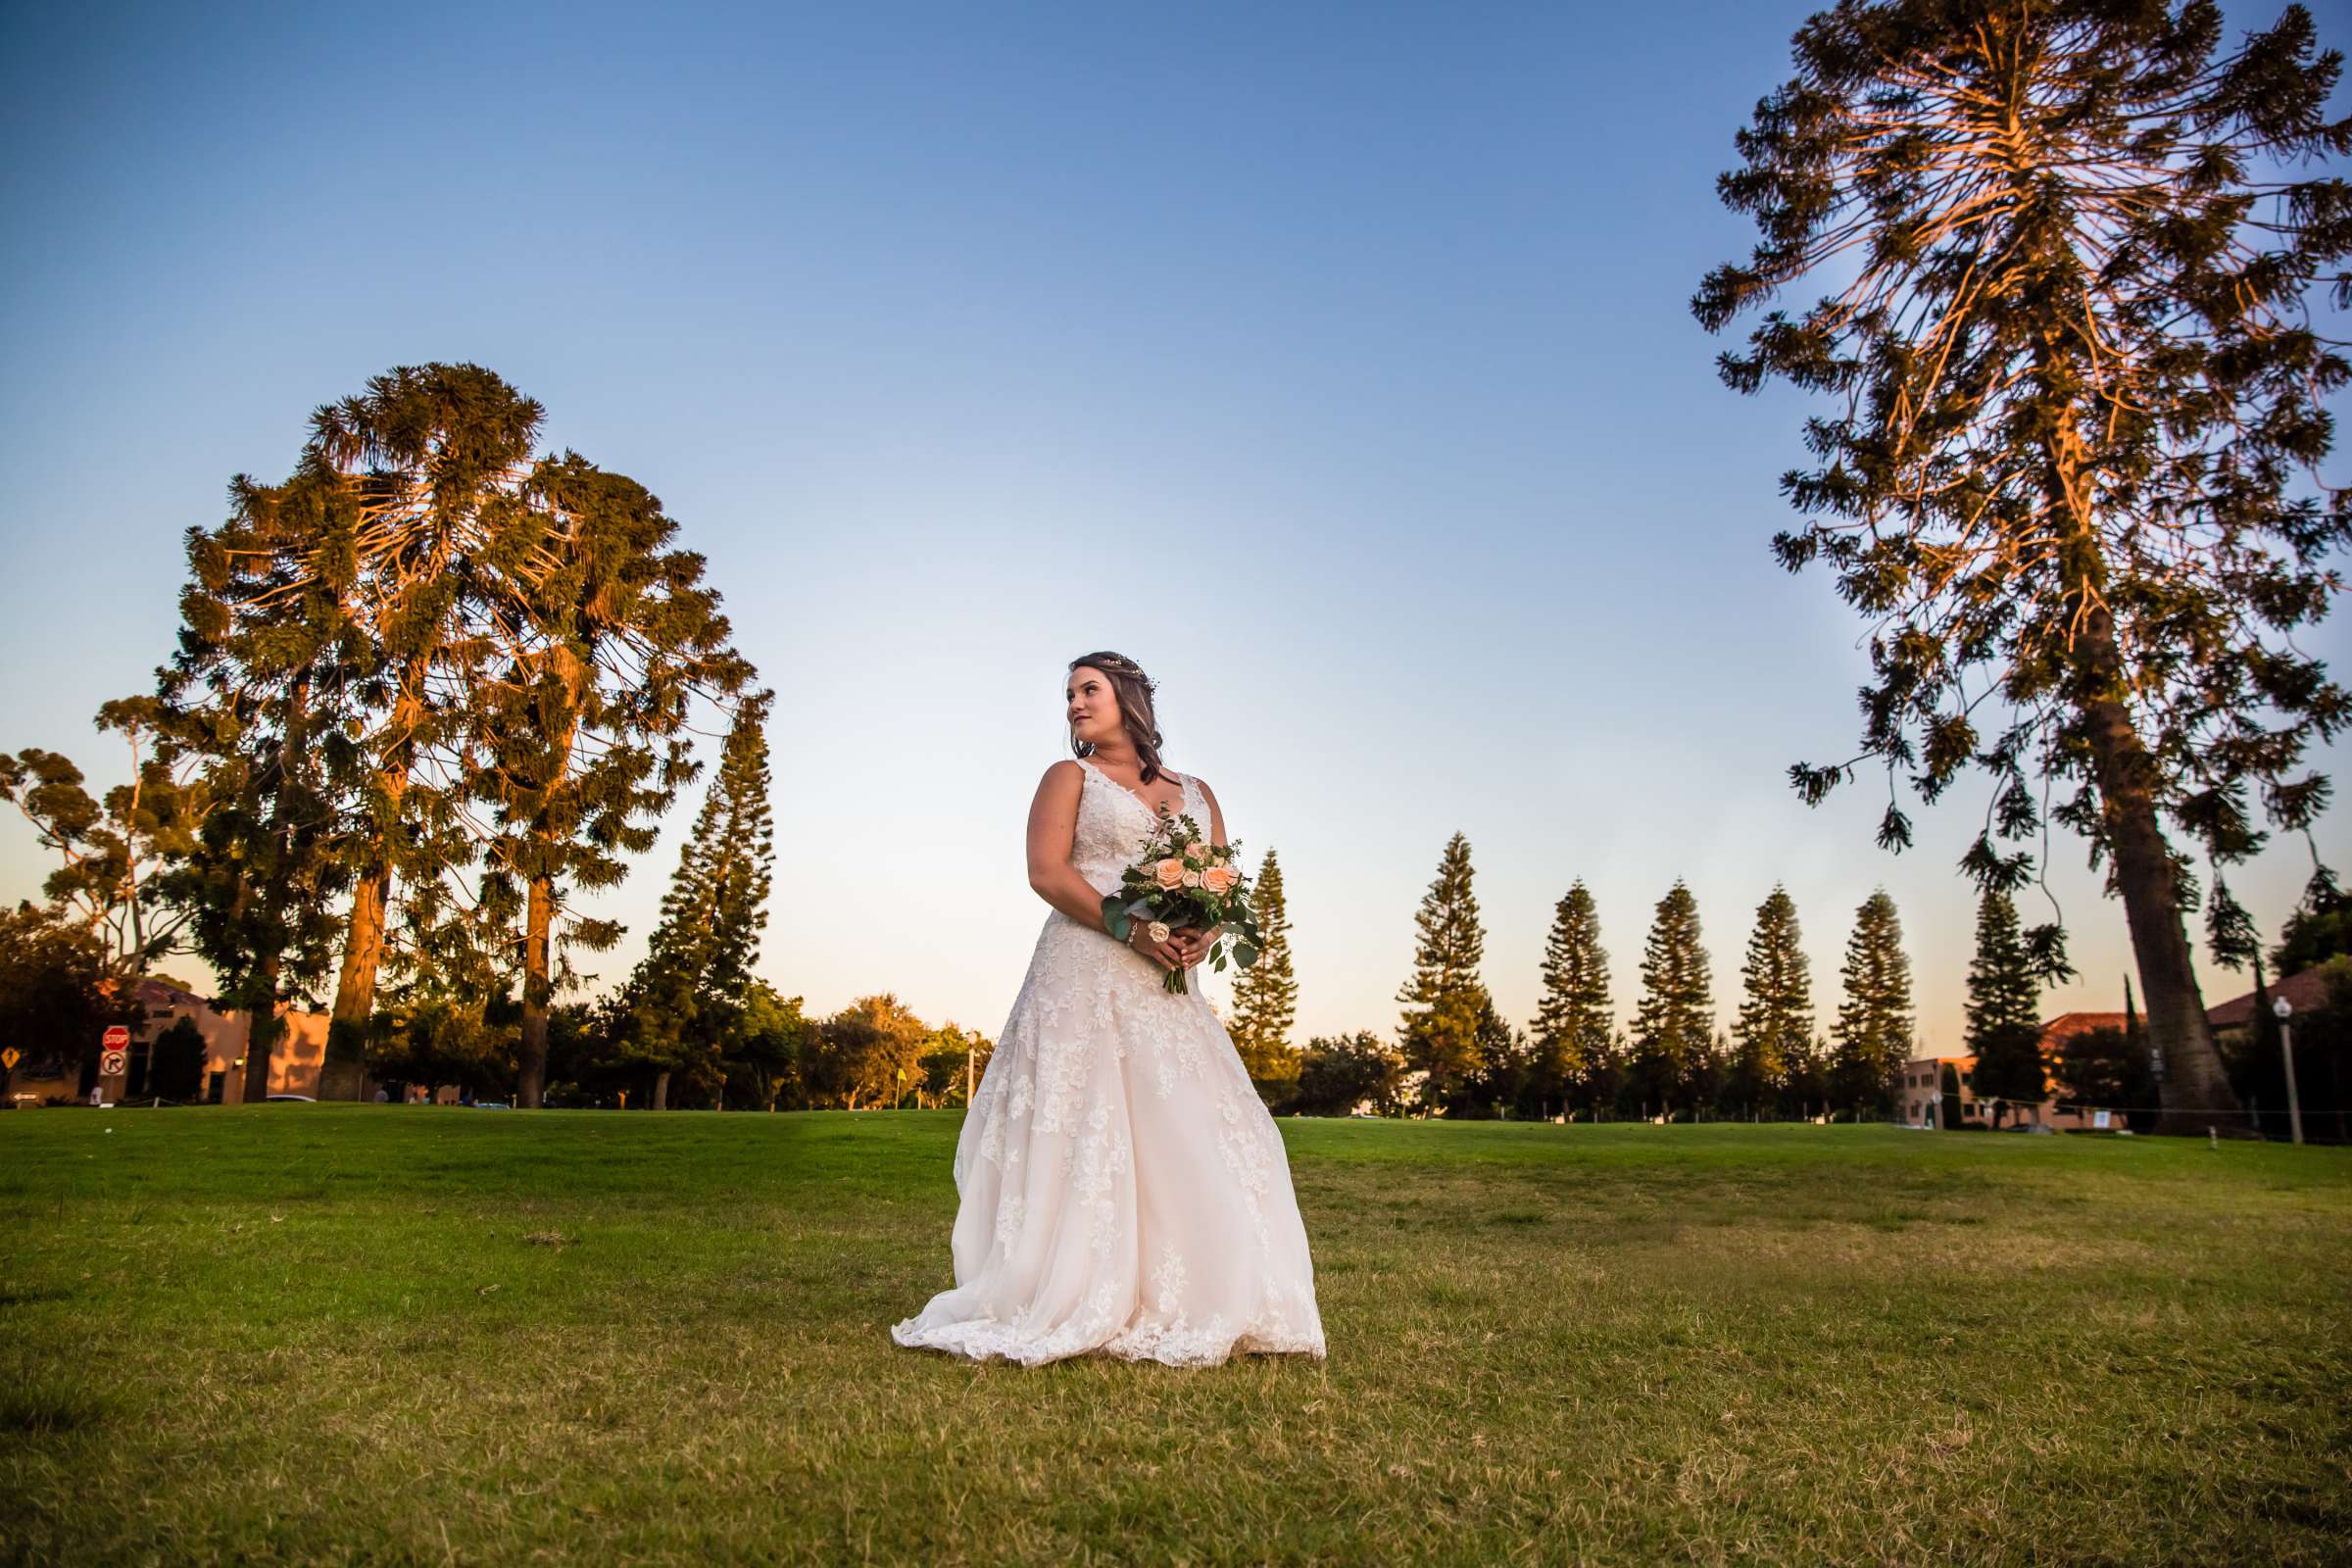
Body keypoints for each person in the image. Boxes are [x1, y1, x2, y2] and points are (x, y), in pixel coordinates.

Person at [891, 651, 1327, 1367]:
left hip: (1167, 986)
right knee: (1084, 1125)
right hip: (1084, 969)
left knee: (1186, 1126)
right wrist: (1132, 927)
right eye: (1068, 694)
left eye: (1088, 689)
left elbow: (1222, 885)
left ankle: (1191, 1290)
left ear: (1128, 698)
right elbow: (1046, 871)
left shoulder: (1197, 791)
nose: (1073, 704)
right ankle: (1070, 1285)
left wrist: (1197, 933)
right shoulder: (1069, 778)